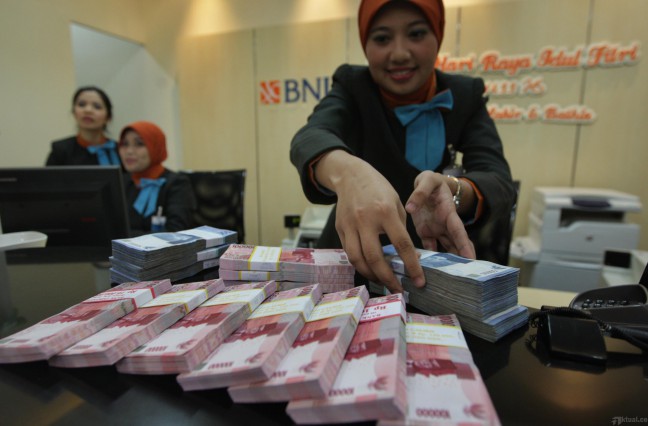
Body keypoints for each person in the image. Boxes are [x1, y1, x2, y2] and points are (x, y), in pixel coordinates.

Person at [290, 0, 516, 294]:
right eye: (382, 38)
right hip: (351, 258)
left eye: (416, 34)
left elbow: (498, 180)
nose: (399, 54)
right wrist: (347, 172)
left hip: (430, 266)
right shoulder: (353, 85)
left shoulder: (464, 94)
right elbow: (311, 135)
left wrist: (455, 190)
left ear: (438, 35)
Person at [118, 121, 196, 234]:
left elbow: (176, 232)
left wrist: (123, 237)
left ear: (155, 147)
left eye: (139, 144)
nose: (129, 151)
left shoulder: (177, 183)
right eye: (125, 144)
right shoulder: (121, 182)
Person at [46, 86, 121, 166]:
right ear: (74, 113)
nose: (88, 110)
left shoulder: (120, 150)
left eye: (97, 106)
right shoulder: (60, 150)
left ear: (108, 117)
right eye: (81, 105)